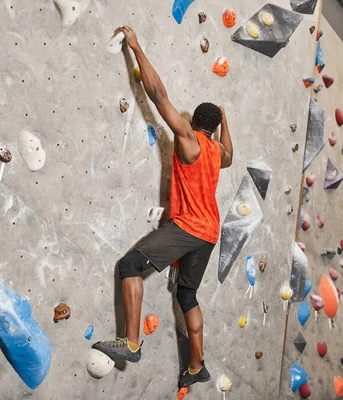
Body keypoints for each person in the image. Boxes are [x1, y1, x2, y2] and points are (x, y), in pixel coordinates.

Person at [93, 26, 233, 389]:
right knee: (186, 294)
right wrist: (226, 119)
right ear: (214, 129)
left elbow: (156, 93)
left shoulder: (190, 140)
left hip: (188, 228)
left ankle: (131, 341)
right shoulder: (218, 154)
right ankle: (196, 366)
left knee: (130, 265)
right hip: (209, 234)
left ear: (194, 123)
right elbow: (231, 153)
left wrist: (136, 46)